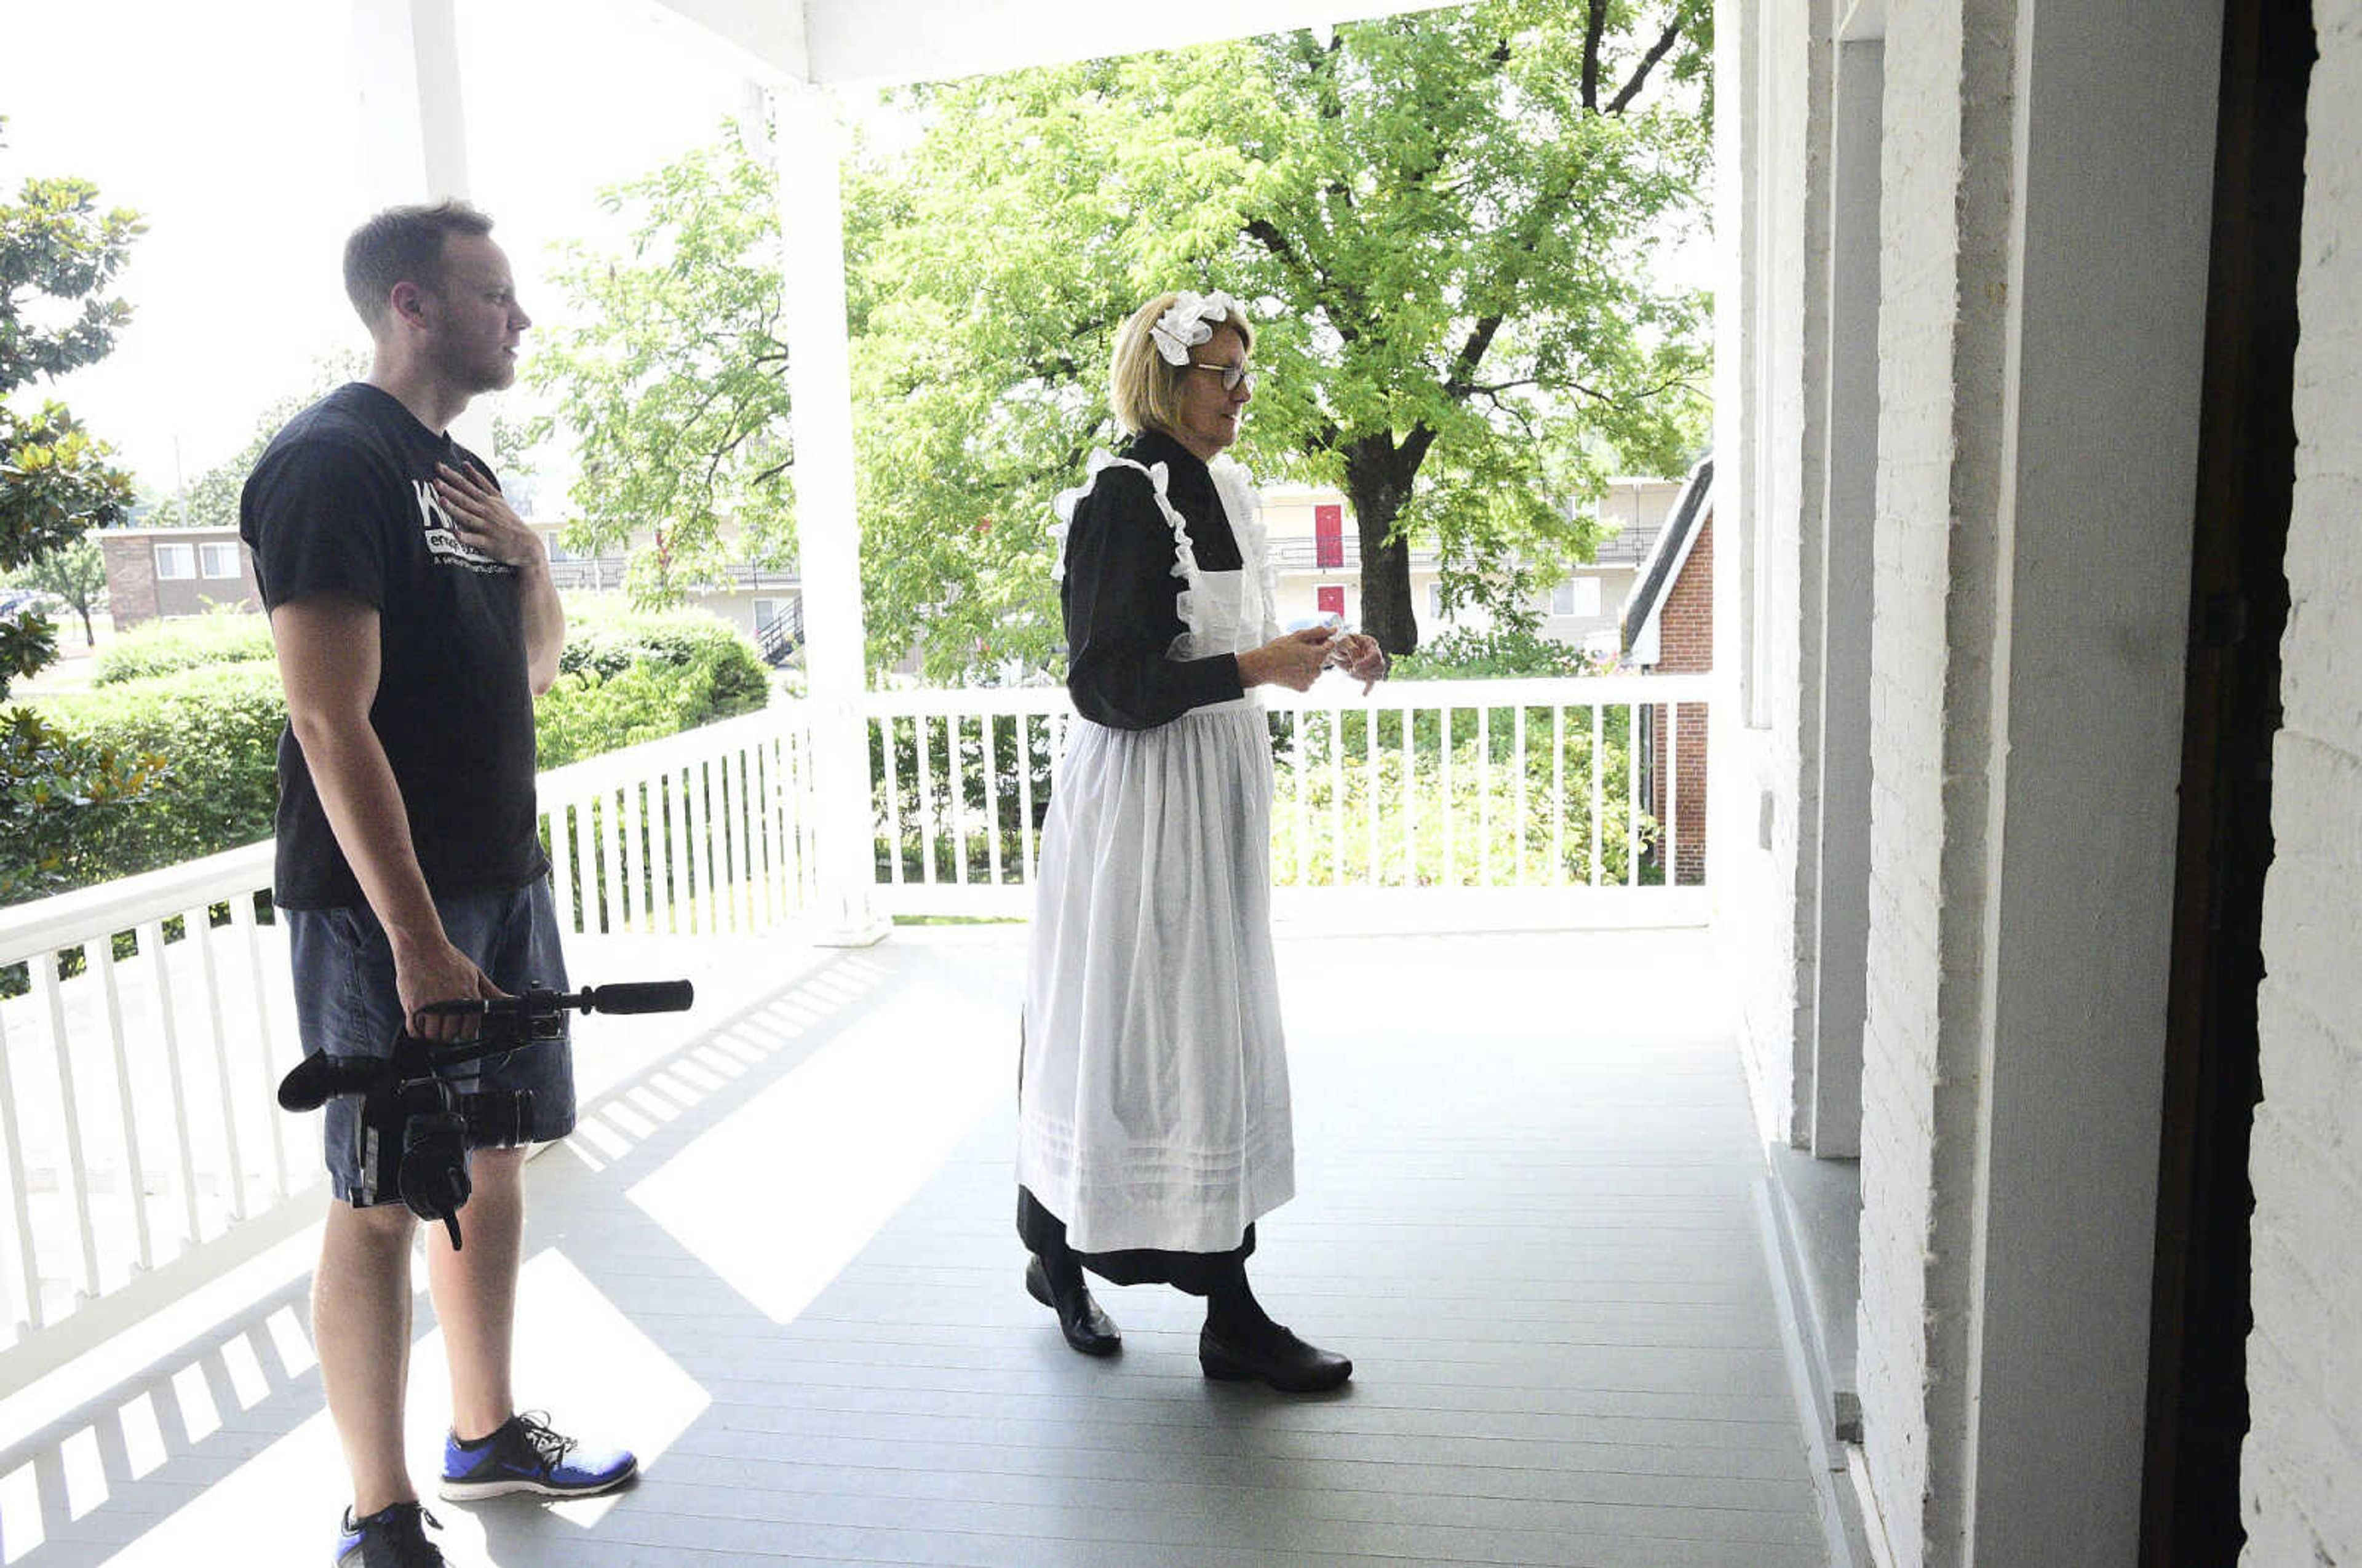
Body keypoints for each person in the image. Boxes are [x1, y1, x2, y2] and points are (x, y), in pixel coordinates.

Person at [240, 202, 634, 1568]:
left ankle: (485, 1435)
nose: (520, 319)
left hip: (500, 879)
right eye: (495, 295)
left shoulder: (451, 474)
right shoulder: (330, 465)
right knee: (380, 1191)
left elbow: (529, 671)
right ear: (411, 304)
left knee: (494, 1152)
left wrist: (530, 553)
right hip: (385, 907)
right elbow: (328, 720)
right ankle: (380, 1508)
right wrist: (414, 943)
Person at [1017, 289, 1387, 1394]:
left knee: (1203, 1036)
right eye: (1219, 372)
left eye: (1242, 372)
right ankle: (1063, 1258)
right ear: (1164, 378)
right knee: (1114, 1032)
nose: (1237, 391)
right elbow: (1105, 682)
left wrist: (1319, 648)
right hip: (1140, 807)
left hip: (1210, 800)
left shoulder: (1225, 487)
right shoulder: (1120, 499)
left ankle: (1225, 1311)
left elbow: (1231, 641)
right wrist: (1252, 669)